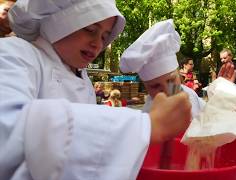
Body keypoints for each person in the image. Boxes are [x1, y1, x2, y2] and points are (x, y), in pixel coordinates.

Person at [0, 0, 192, 179]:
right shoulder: (13, 54)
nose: (98, 44)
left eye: (104, 36)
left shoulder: (83, 81)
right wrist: (144, 126)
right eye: (90, 29)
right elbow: (8, 129)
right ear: (59, 23)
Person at [120, 19, 236, 118]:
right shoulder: (148, 116)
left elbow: (212, 118)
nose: (166, 91)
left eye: (170, 81)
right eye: (155, 86)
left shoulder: (190, 96)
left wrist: (221, 96)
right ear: (146, 87)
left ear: (179, 76)